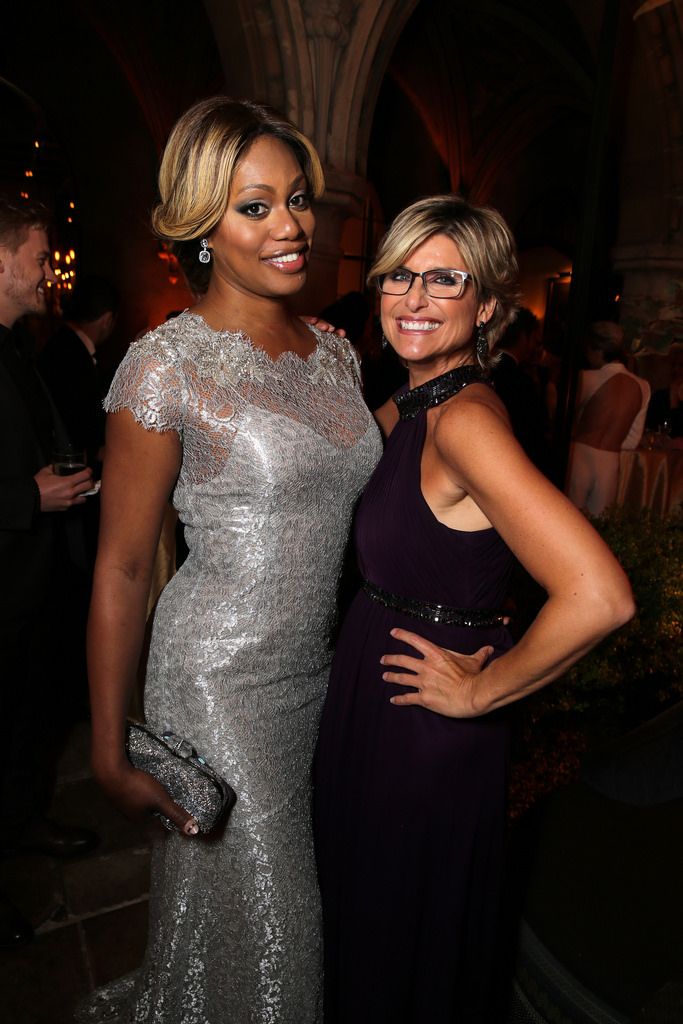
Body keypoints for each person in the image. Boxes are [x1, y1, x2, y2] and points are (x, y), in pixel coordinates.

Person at [80, 97, 381, 1023]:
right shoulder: (162, 366)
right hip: (216, 683)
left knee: (266, 922)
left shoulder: (335, 356)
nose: (292, 227)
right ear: (203, 224)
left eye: (297, 199)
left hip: (316, 675)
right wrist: (107, 744)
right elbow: (124, 570)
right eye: (255, 206)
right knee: (279, 924)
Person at [313, 195, 634, 1024]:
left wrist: (483, 690)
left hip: (423, 720)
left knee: (397, 942)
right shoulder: (414, 400)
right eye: (399, 276)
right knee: (375, 926)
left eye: (444, 280)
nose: (413, 298)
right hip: (378, 694)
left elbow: (598, 595)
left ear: (486, 306)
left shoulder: (464, 421)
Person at [0, 196, 98, 949]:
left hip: (29, 580)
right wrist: (27, 497)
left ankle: (22, 822)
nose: (49, 273)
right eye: (39, 257)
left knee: (25, 726)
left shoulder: (17, 344)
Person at [567, 321, 651, 516]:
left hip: (579, 455)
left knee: (567, 519)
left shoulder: (585, 378)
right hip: (610, 463)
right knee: (599, 527)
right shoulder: (643, 386)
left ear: (597, 350)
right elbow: (632, 441)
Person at [39, 274, 119, 471]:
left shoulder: (66, 344)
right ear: (107, 320)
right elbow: (75, 418)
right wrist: (95, 451)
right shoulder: (67, 353)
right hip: (71, 470)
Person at [491, 305, 550, 470]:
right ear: (525, 337)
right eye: (535, 340)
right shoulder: (520, 380)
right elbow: (532, 432)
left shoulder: (484, 368)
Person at [645, 341, 683, 440]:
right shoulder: (659, 397)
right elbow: (650, 428)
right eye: (673, 365)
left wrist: (674, 404)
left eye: (681, 366)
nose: (676, 370)